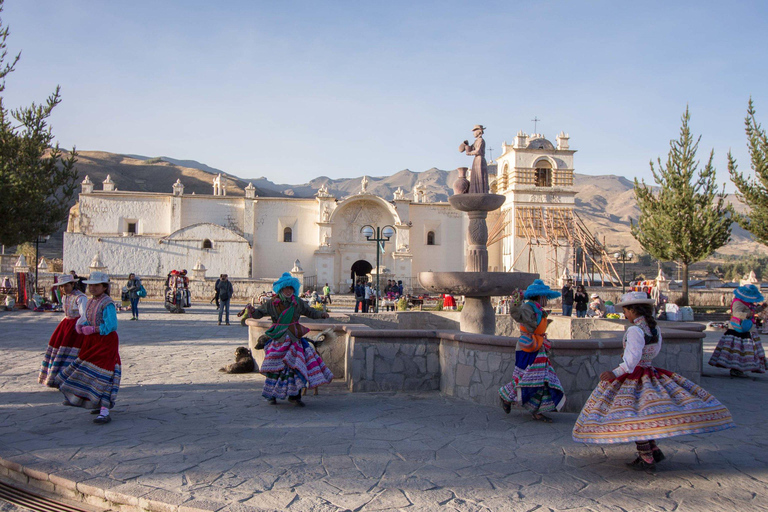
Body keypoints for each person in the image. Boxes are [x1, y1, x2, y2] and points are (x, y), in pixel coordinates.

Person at [573, 292, 735, 471]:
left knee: (633, 416)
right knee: (646, 414)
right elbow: (651, 351)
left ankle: (646, 457)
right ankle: (653, 449)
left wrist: (614, 372)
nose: (625, 315)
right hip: (650, 373)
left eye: (626, 311)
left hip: (634, 376)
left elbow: (631, 362)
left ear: (633, 310)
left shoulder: (634, 330)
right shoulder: (654, 328)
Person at [251, 272, 333, 406]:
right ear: (281, 289)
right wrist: (252, 312)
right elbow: (258, 313)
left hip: (294, 339)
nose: (289, 291)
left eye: (291, 288)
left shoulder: (298, 302)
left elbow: (310, 311)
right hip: (278, 339)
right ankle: (272, 395)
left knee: (296, 366)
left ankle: (295, 396)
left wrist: (321, 314)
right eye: (286, 288)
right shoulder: (272, 303)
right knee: (275, 367)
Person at [55, 271, 121, 425]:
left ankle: (104, 410)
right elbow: (88, 318)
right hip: (91, 341)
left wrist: (94, 329)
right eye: (91, 286)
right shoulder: (91, 301)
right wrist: (82, 326)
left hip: (105, 342)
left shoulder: (107, 303)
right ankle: (92, 401)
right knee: (88, 370)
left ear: (104, 287)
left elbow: (111, 325)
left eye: (96, 285)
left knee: (104, 374)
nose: (93, 288)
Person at [499, 279, 566, 422]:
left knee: (541, 380)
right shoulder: (528, 308)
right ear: (539, 297)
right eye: (545, 298)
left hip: (538, 347)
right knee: (525, 377)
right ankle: (506, 396)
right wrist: (516, 300)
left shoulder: (539, 310)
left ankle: (537, 411)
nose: (547, 300)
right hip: (527, 347)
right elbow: (516, 313)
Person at [39, 274, 87, 387]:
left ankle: (71, 378)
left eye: (66, 285)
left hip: (75, 327)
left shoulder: (80, 297)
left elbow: (84, 315)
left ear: (73, 284)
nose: (64, 289)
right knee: (59, 350)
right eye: (61, 287)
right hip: (65, 325)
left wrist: (78, 326)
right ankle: (57, 376)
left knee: (72, 351)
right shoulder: (65, 297)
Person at [708, 284, 766, 377]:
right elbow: (736, 313)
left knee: (746, 351)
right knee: (737, 351)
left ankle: (743, 368)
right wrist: (747, 315)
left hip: (747, 329)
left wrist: (763, 307)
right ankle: (735, 369)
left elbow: (753, 312)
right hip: (737, 329)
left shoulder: (748, 303)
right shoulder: (738, 302)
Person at [463, 125, 489, 194]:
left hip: (480, 160)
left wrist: (469, 153)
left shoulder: (481, 140)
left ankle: (480, 191)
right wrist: (466, 145)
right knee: (475, 177)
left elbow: (478, 151)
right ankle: (475, 191)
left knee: (479, 176)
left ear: (478, 131)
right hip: (476, 160)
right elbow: (471, 148)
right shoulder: (476, 141)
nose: (473, 133)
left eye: (474, 131)